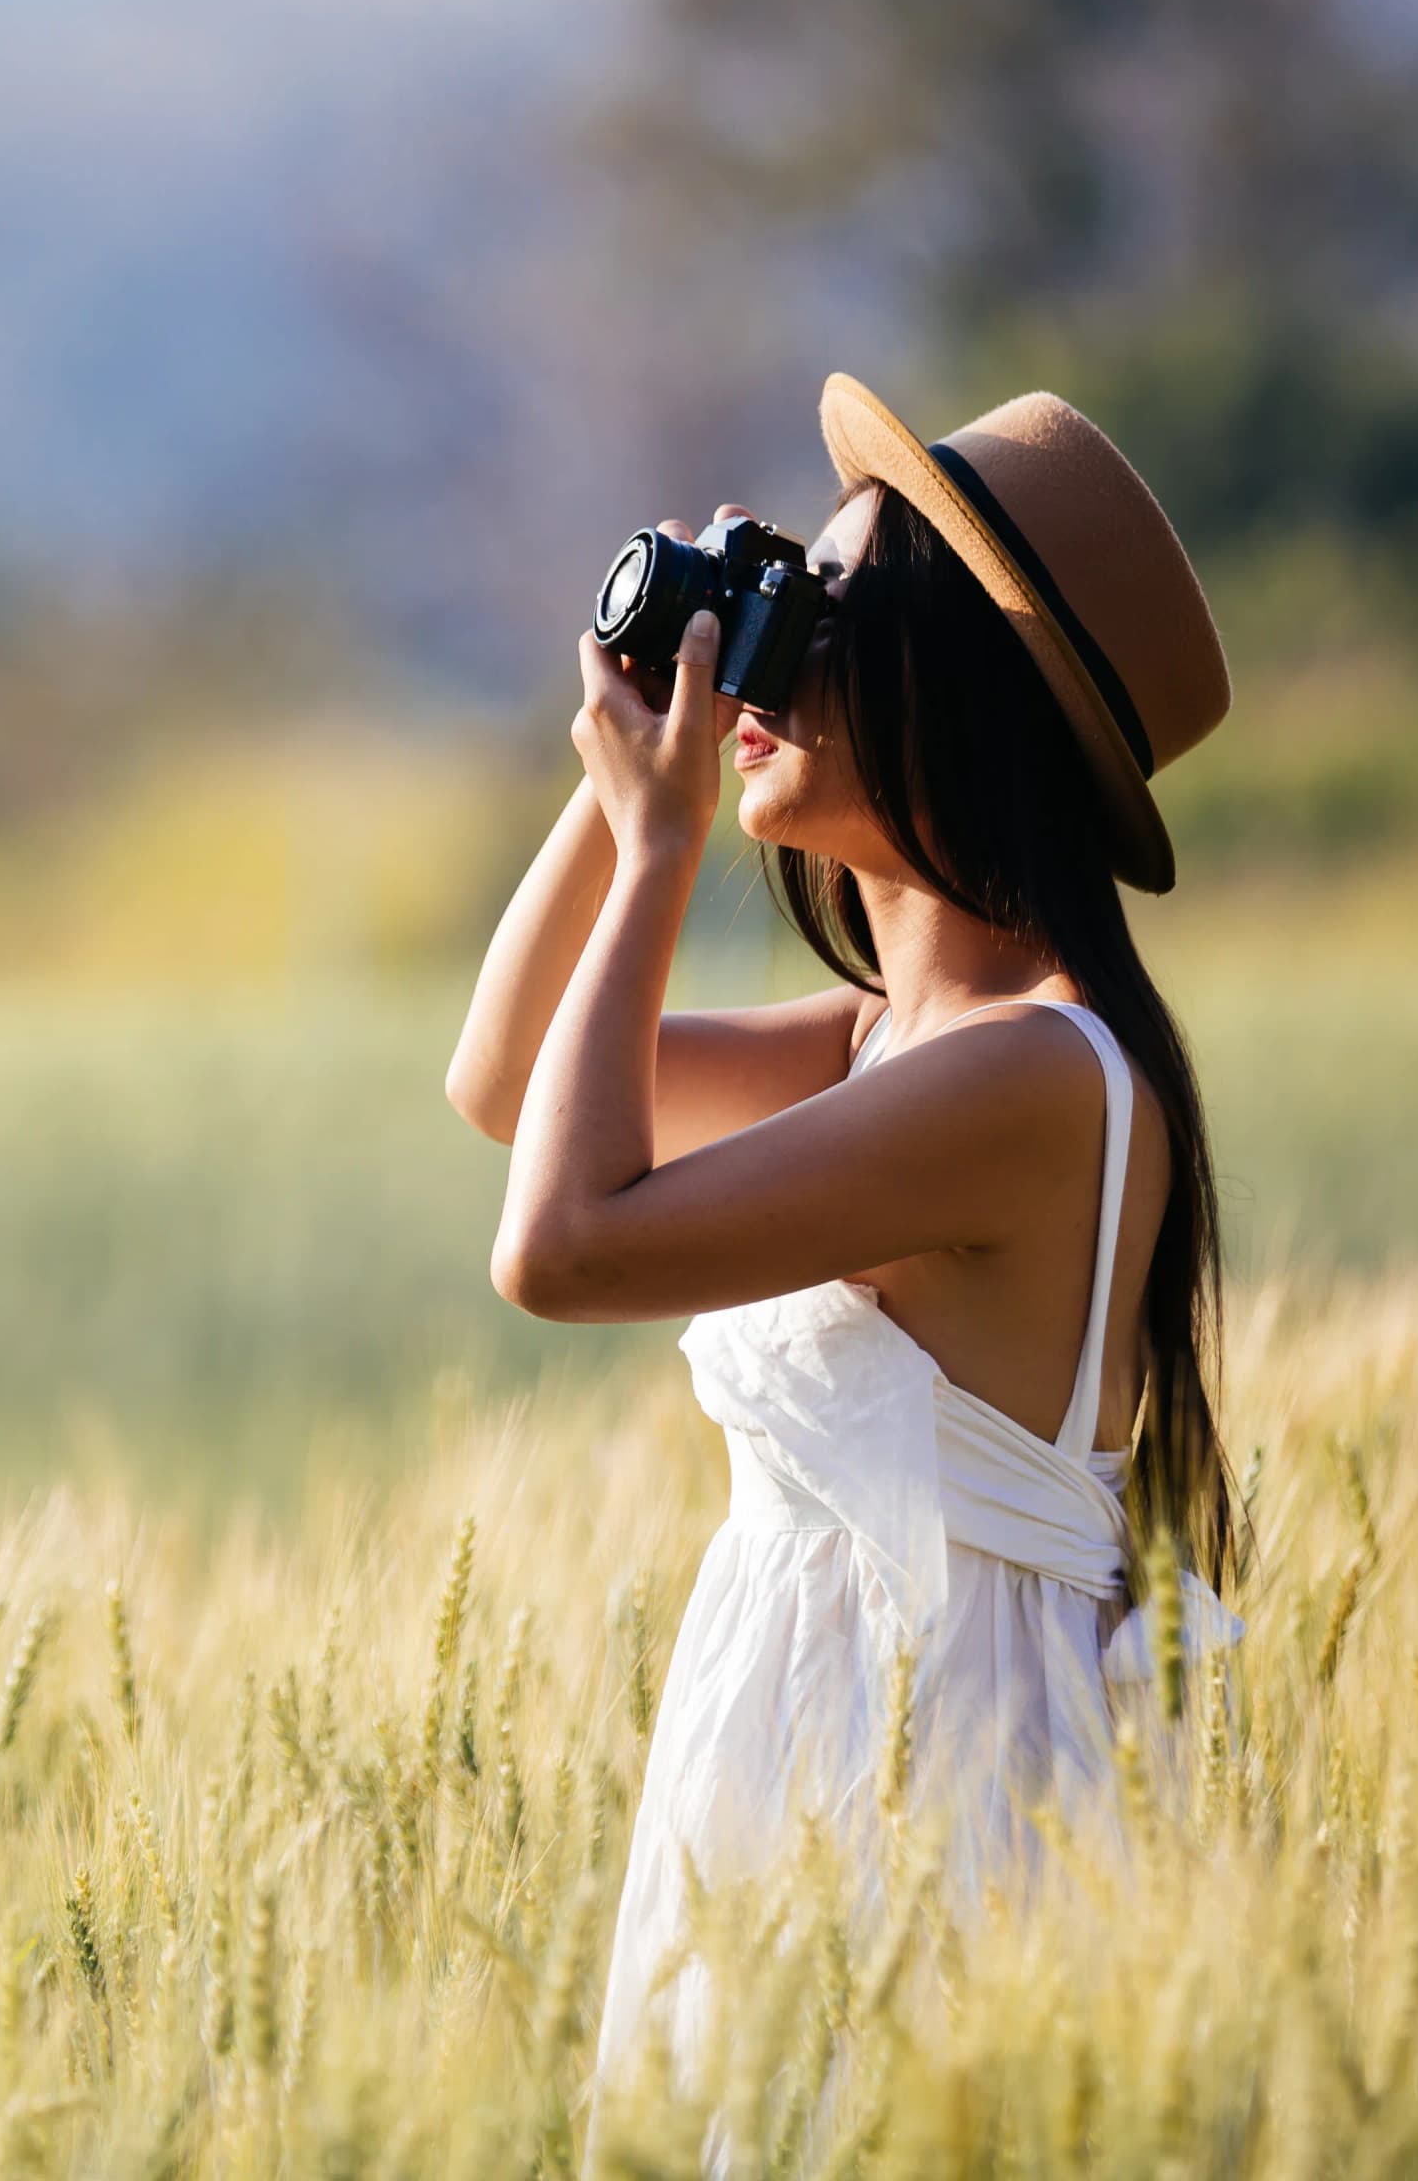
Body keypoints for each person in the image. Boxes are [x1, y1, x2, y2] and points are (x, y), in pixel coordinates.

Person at [444, 375, 1249, 2128]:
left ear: (968, 700)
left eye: (831, 609)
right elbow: (508, 1083)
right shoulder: (878, 1040)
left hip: (937, 1797)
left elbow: (563, 1248)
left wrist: (662, 844)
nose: (779, 648)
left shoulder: (1036, 1073)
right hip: (792, 1754)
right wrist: (639, 759)